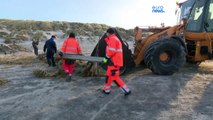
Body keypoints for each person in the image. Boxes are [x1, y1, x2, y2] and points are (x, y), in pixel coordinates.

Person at [102, 28, 131, 96]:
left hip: (114, 62)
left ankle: (126, 90)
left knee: (114, 77)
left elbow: (111, 51)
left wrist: (106, 58)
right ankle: (107, 89)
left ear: (108, 33)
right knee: (109, 75)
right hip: (113, 61)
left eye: (106, 33)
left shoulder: (112, 39)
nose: (106, 34)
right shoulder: (114, 39)